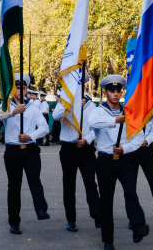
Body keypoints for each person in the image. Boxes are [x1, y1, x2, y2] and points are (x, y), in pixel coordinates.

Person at [89, 75, 149, 250]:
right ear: (105, 93)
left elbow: (139, 138)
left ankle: (138, 226)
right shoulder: (98, 110)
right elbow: (92, 122)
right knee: (106, 201)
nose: (115, 94)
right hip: (105, 161)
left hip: (125, 159)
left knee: (131, 193)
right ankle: (108, 240)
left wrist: (125, 148)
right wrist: (115, 120)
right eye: (111, 91)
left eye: (118, 91)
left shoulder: (129, 111)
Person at [0, 73, 50, 235]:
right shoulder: (7, 105)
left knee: (34, 179)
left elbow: (45, 128)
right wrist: (14, 112)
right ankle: (14, 222)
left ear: (26, 90)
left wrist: (30, 136)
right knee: (14, 186)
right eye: (17, 87)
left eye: (23, 87)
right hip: (13, 151)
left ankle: (41, 209)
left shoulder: (34, 108)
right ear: (12, 89)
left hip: (30, 149)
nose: (20, 90)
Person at [52, 88, 100, 233]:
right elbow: (55, 116)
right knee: (69, 185)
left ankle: (96, 212)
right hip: (68, 149)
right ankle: (71, 220)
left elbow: (96, 126)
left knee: (90, 182)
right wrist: (72, 104)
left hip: (86, 148)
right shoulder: (64, 101)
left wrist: (87, 140)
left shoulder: (91, 104)